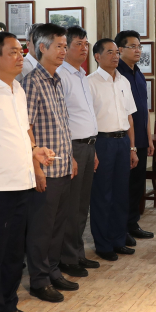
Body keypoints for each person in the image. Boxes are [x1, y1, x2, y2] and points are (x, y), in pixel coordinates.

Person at [0, 31, 53, 312]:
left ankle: (8, 302)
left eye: (21, 52)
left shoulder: (18, 90)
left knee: (13, 251)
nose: (21, 57)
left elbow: (21, 134)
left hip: (21, 182)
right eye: (13, 53)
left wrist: (35, 153)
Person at [21, 23, 78, 303]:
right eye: (59, 46)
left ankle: (53, 270)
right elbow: (27, 126)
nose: (63, 51)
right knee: (41, 228)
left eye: (66, 46)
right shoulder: (32, 81)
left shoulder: (57, 79)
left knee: (58, 225)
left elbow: (62, 125)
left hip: (63, 165)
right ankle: (39, 279)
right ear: (42, 47)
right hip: (46, 167)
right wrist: (37, 168)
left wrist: (71, 159)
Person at [88, 39, 139, 261]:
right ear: (97, 57)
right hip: (102, 142)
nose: (116, 56)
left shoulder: (123, 81)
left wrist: (133, 147)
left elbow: (130, 117)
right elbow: (88, 120)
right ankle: (103, 243)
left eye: (117, 52)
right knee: (102, 195)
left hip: (122, 143)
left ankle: (118, 239)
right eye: (110, 52)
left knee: (121, 194)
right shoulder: (89, 83)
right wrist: (94, 151)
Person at [55, 26, 99, 277]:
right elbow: (61, 120)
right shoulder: (61, 75)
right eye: (78, 44)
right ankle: (66, 258)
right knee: (70, 207)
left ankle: (78, 253)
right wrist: (69, 153)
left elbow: (87, 115)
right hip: (71, 147)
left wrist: (94, 149)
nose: (83, 49)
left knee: (82, 206)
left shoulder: (82, 75)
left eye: (86, 44)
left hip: (88, 145)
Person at [115, 30, 154, 242]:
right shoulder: (116, 74)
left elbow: (144, 109)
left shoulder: (139, 73)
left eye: (139, 46)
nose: (138, 50)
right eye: (133, 46)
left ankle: (132, 223)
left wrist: (148, 138)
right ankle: (122, 227)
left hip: (140, 139)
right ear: (120, 50)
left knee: (137, 185)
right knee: (124, 186)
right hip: (124, 141)